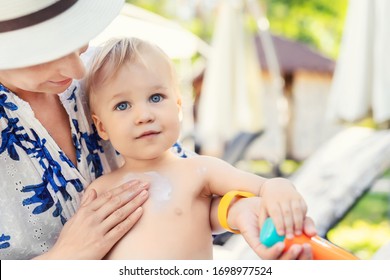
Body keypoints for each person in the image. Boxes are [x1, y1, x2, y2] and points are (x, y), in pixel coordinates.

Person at [0, 0, 315, 260]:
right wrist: (64, 258)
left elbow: (185, 191)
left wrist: (237, 209)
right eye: (46, 53)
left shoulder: (109, 71)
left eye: (79, 43)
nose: (78, 70)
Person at [84, 37, 312, 259]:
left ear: (179, 106)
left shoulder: (200, 170)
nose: (144, 116)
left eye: (155, 97)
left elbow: (265, 187)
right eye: (122, 105)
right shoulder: (100, 192)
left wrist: (281, 190)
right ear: (102, 127)